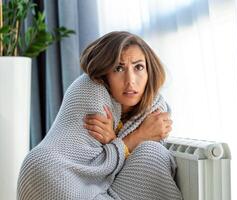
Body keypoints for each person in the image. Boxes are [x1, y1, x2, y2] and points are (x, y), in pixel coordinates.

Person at [17, 31, 182, 200]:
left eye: (138, 67)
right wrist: (137, 137)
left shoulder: (155, 110)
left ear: (149, 71)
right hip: (53, 173)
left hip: (93, 187)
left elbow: (128, 167)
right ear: (105, 73)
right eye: (119, 68)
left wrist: (113, 142)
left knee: (154, 152)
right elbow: (91, 163)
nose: (130, 80)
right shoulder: (91, 90)